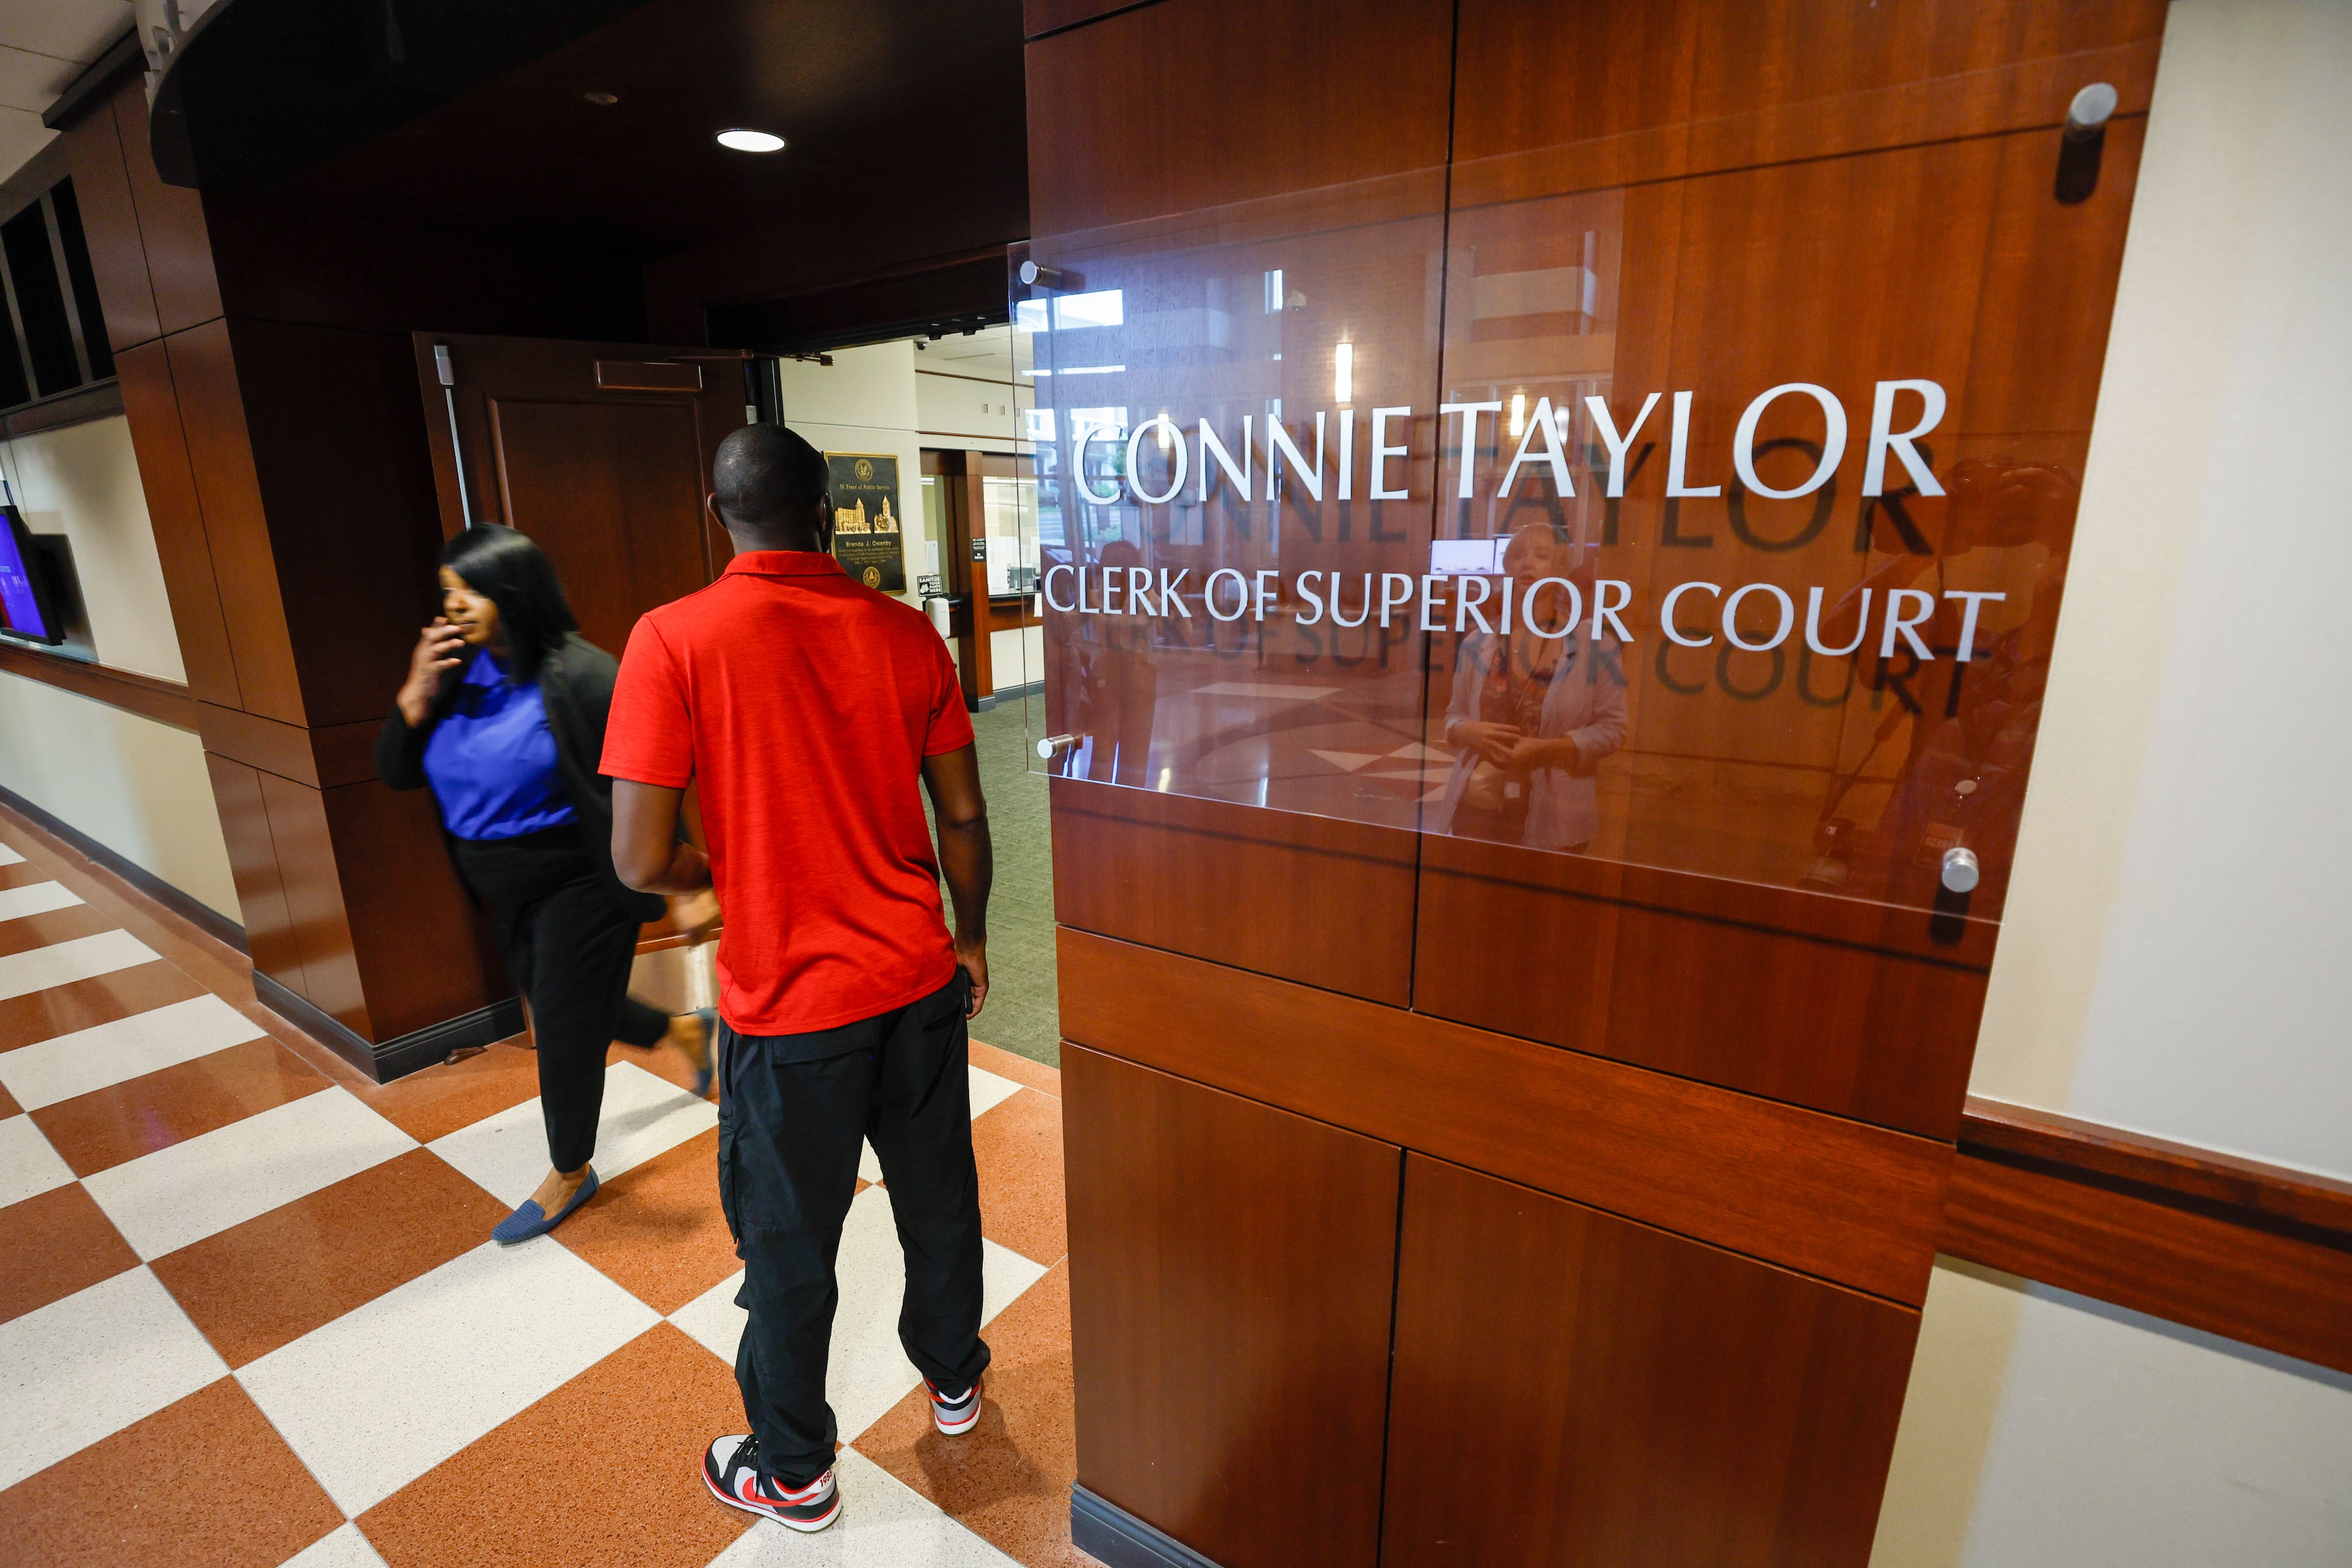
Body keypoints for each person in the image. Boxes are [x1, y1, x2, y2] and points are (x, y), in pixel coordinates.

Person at [603, 424, 993, 1535]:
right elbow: (962, 813)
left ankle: (791, 1470)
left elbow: (637, 860)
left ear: (714, 510)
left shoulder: (671, 640)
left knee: (787, 1241)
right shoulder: (908, 634)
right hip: (916, 985)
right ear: (827, 511)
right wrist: (970, 938)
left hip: (788, 1012)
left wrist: (730, 860)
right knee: (939, 1199)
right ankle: (954, 1376)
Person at [377, 526, 717, 1244]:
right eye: (447, 592)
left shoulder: (585, 676)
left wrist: (690, 877)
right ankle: (683, 1029)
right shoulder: (452, 673)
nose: (455, 605)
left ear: (513, 590)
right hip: (503, 885)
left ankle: (570, 1168)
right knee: (570, 1002)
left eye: (468, 589)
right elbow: (398, 770)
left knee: (562, 1026)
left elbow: (656, 776)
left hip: (582, 878)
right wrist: (412, 696)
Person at [1427, 523, 1629, 851]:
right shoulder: (1479, 642)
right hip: (1480, 803)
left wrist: (1543, 749)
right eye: (1518, 556)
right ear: (1505, 569)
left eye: (1542, 555)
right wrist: (1470, 733)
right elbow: (1454, 717)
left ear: (1561, 569)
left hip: (1555, 813)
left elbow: (1613, 729)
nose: (1527, 563)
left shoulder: (1596, 646)